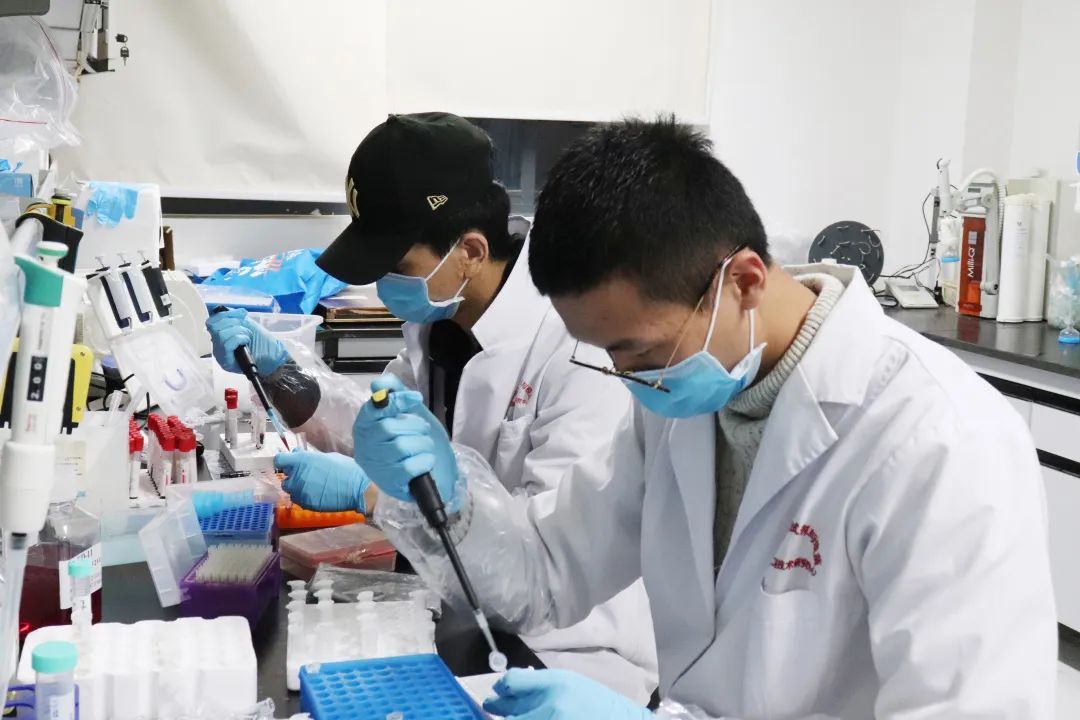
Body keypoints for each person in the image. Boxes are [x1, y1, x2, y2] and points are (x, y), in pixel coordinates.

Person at [353, 117, 1058, 719]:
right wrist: (446, 501)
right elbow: (546, 576)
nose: (631, 380)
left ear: (743, 281)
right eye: (610, 356)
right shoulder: (682, 402)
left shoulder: (938, 440)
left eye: (640, 350)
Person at [205, 112, 658, 702]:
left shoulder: (577, 348)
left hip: (569, 653)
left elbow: (542, 554)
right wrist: (283, 374)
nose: (385, 286)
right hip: (470, 612)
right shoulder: (440, 320)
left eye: (399, 267)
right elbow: (379, 428)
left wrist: (374, 496)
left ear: (469, 250)